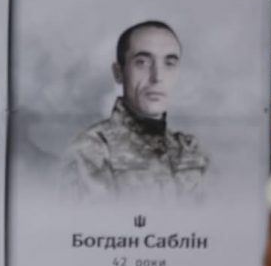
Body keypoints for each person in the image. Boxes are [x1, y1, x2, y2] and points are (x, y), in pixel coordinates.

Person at [61, 20, 208, 201]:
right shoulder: (90, 152)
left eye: (169, 63)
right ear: (118, 73)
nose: (157, 77)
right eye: (142, 62)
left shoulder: (190, 152)